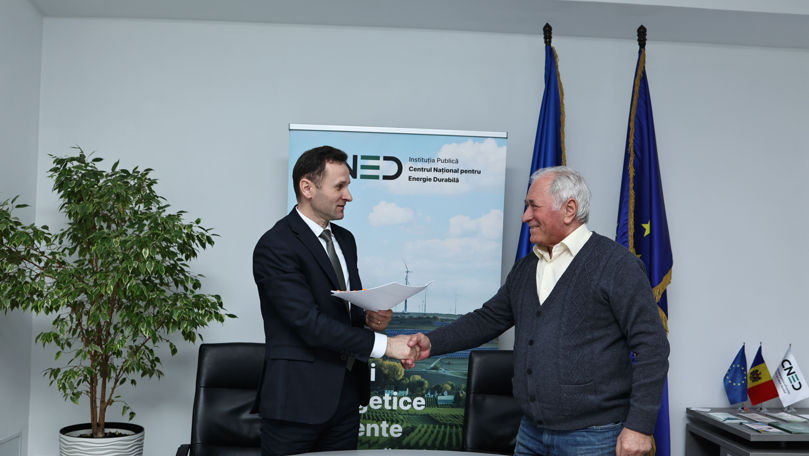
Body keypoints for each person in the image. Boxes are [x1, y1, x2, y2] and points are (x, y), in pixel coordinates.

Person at [404, 166, 669, 456]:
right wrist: (432, 342)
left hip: (594, 438)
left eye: (534, 206)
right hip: (531, 433)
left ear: (569, 210)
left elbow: (652, 346)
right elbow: (487, 319)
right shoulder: (526, 268)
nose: (525, 216)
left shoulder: (617, 265)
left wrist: (640, 426)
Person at [253, 145, 416, 455]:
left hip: (346, 396)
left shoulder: (345, 240)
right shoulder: (275, 245)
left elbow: (344, 308)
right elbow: (308, 323)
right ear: (307, 188)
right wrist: (386, 345)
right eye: (339, 186)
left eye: (348, 186)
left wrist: (369, 318)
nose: (348, 196)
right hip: (296, 401)